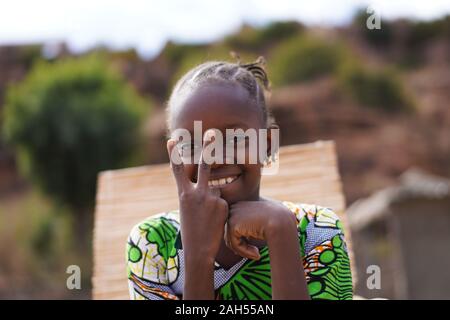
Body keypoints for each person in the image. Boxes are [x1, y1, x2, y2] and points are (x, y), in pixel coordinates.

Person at [126, 57, 353, 300]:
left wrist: (281, 231)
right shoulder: (152, 244)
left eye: (235, 139)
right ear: (174, 156)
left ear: (267, 146)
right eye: (191, 144)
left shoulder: (317, 231)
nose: (213, 158)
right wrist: (199, 258)